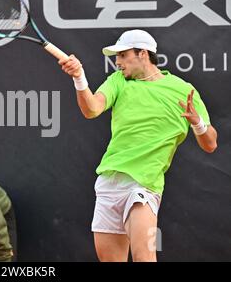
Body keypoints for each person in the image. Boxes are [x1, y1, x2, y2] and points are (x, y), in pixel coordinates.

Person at [59, 29, 218, 262]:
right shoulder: (118, 81)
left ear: (142, 53)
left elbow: (210, 144)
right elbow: (91, 108)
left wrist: (198, 123)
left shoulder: (183, 90)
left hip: (143, 184)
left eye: (123, 55)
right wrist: (79, 77)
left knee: (144, 258)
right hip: (109, 182)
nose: (117, 62)